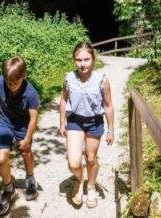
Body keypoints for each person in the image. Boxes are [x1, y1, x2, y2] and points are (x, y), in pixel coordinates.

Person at [59, 42, 114, 209]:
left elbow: (108, 105)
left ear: (93, 59)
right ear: (74, 60)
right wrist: (62, 122)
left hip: (94, 123)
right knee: (73, 163)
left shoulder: (102, 80)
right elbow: (63, 100)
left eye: (86, 59)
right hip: (75, 121)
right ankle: (79, 178)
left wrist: (111, 130)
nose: (83, 64)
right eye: (79, 60)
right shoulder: (69, 78)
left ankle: (90, 187)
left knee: (90, 159)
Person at [0, 56, 40, 215]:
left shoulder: (31, 93)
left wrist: (27, 139)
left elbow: (33, 118)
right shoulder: (1, 80)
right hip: (5, 122)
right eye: (8, 82)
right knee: (1, 158)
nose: (11, 85)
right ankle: (9, 190)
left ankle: (30, 178)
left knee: (25, 152)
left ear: (24, 76)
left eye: (15, 82)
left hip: (23, 124)